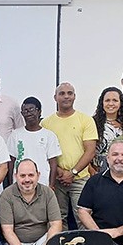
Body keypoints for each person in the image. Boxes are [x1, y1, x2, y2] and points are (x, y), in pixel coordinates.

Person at [41, 82, 98, 230]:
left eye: (70, 93)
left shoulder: (85, 120)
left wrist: (72, 173)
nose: (66, 96)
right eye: (62, 93)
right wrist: (61, 172)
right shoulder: (46, 123)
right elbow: (43, 153)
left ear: (74, 96)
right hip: (57, 181)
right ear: (55, 97)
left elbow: (90, 151)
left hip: (80, 179)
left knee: (83, 218)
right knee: (58, 220)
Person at [0, 159, 62, 245]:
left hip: (41, 241)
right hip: (18, 243)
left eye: (31, 175)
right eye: (22, 176)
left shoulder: (48, 192)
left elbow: (56, 224)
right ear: (16, 176)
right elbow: (7, 231)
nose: (27, 179)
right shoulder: (6, 195)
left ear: (38, 175)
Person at [7, 97, 61, 188]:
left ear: (39, 111)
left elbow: (53, 163)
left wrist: (51, 185)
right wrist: (10, 185)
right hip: (20, 184)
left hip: (42, 183)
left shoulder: (49, 135)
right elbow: (11, 162)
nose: (28, 113)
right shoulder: (15, 135)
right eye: (25, 111)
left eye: (31, 109)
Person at [91, 87, 123, 175]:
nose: (111, 103)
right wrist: (91, 170)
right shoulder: (92, 122)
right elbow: (86, 150)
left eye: (115, 100)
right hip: (97, 169)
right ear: (102, 103)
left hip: (121, 168)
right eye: (107, 100)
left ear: (120, 103)